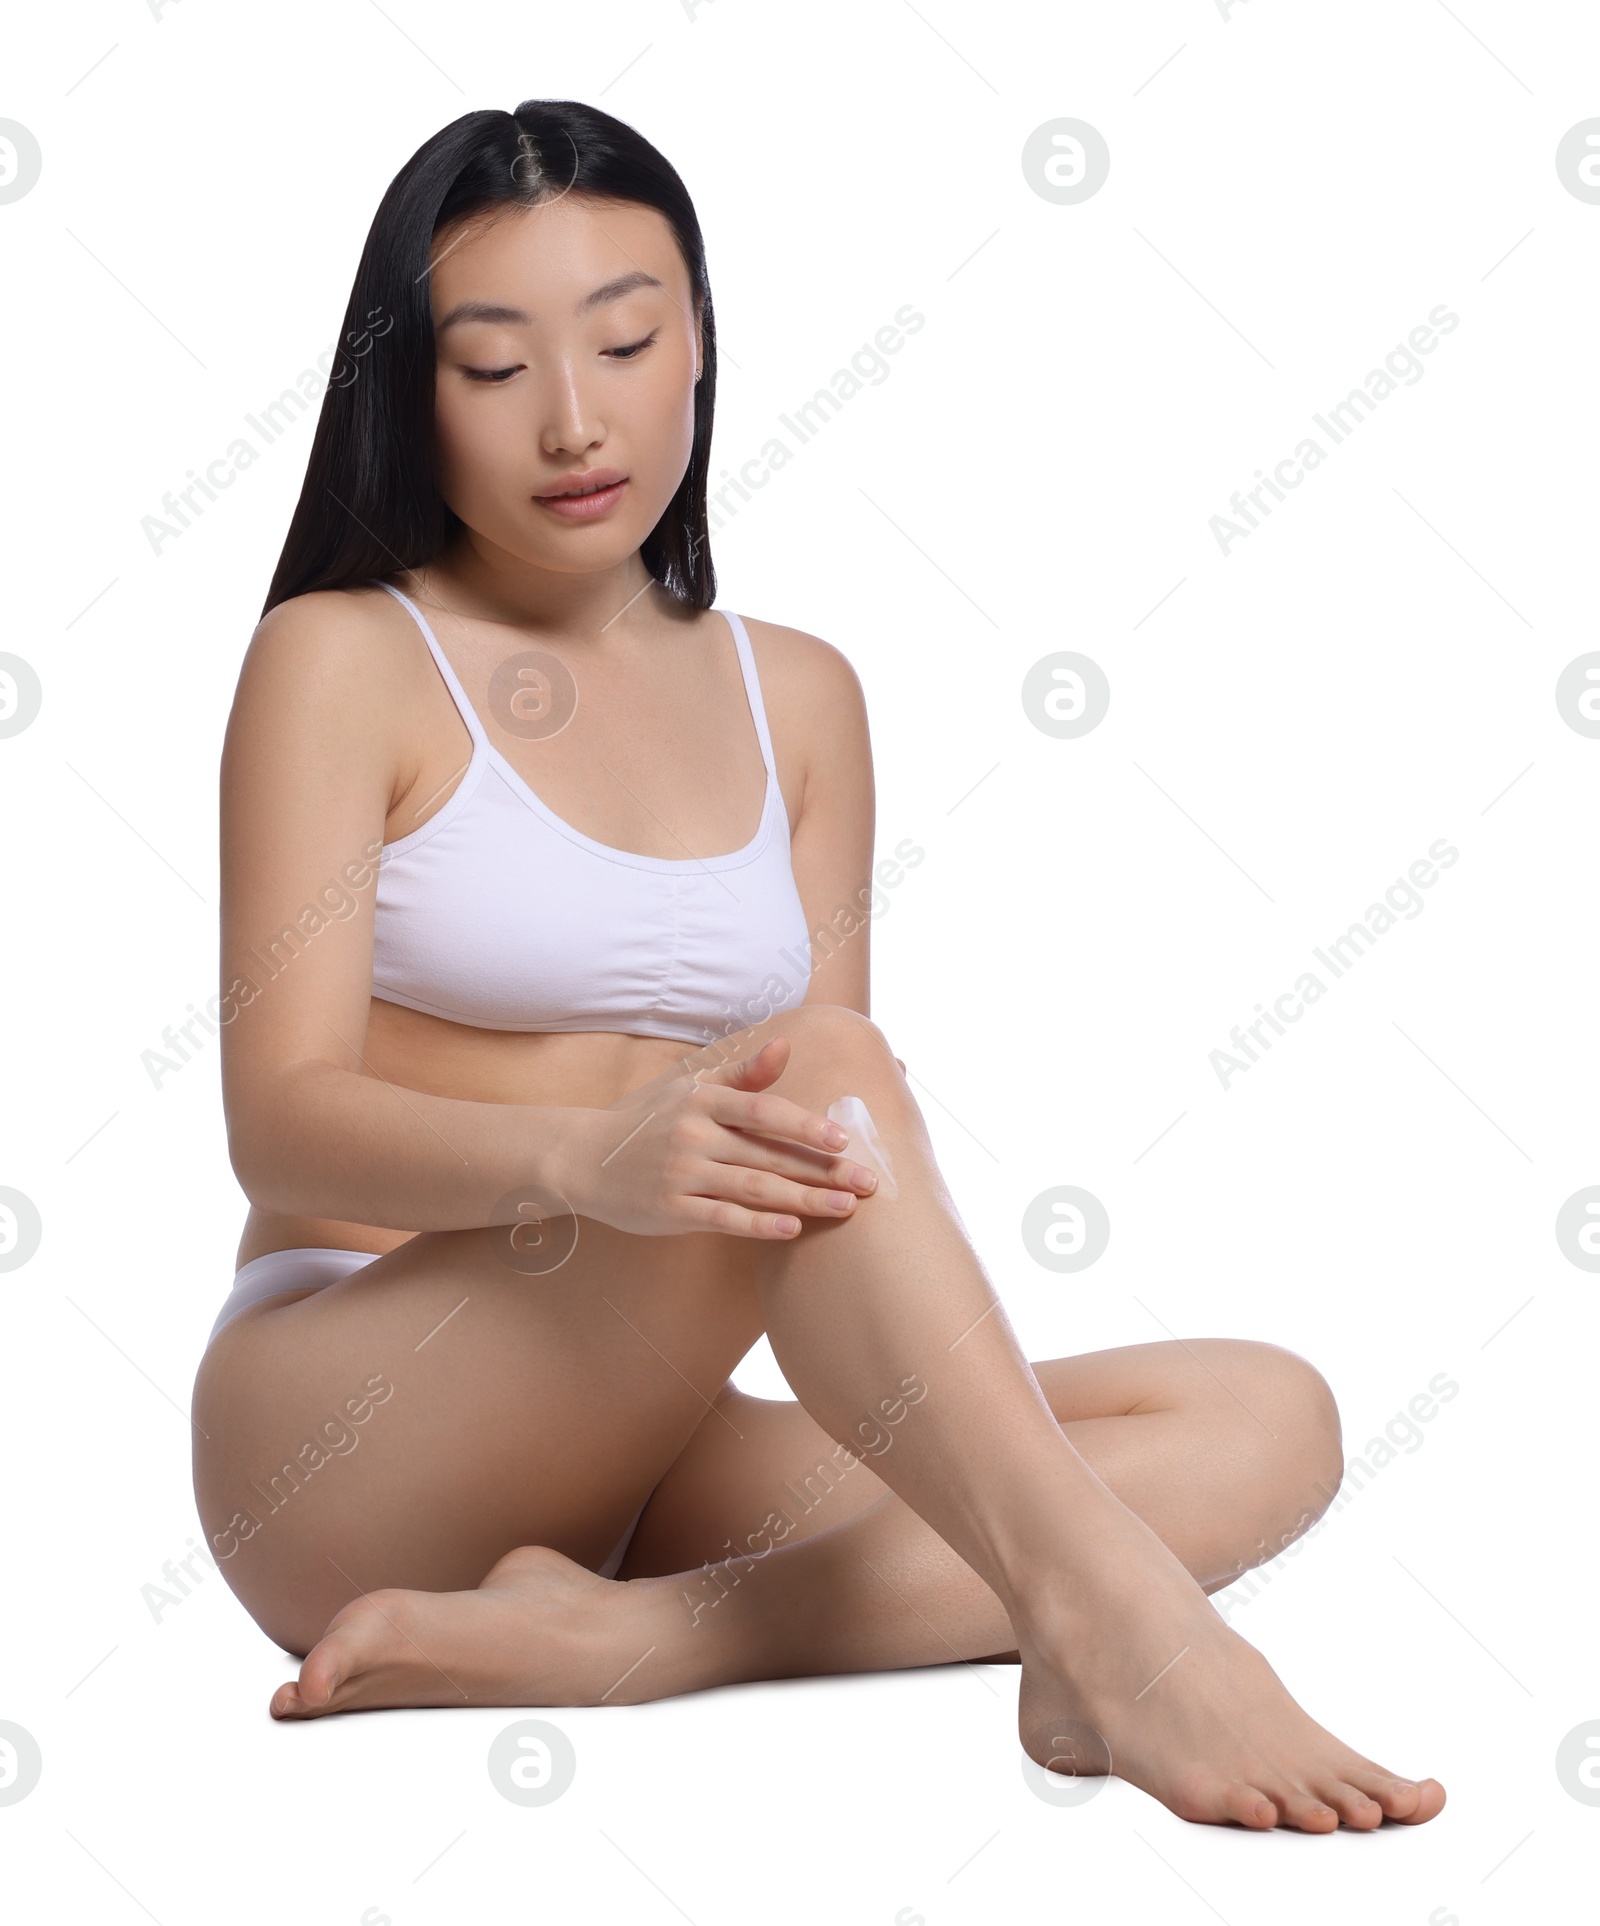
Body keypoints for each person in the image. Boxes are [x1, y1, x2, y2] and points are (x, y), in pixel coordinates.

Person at [190, 98, 1444, 1833]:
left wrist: (704, 1182)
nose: (575, 419)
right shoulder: (343, 659)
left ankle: (645, 1638)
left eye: (625, 341)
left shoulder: (805, 699)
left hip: (639, 1442)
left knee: (1266, 1417)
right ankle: (1126, 1628)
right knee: (821, 1073)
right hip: (350, 1417)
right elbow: (282, 1124)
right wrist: (587, 1157)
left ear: (695, 336)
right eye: (493, 368)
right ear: (413, 392)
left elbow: (823, 1200)